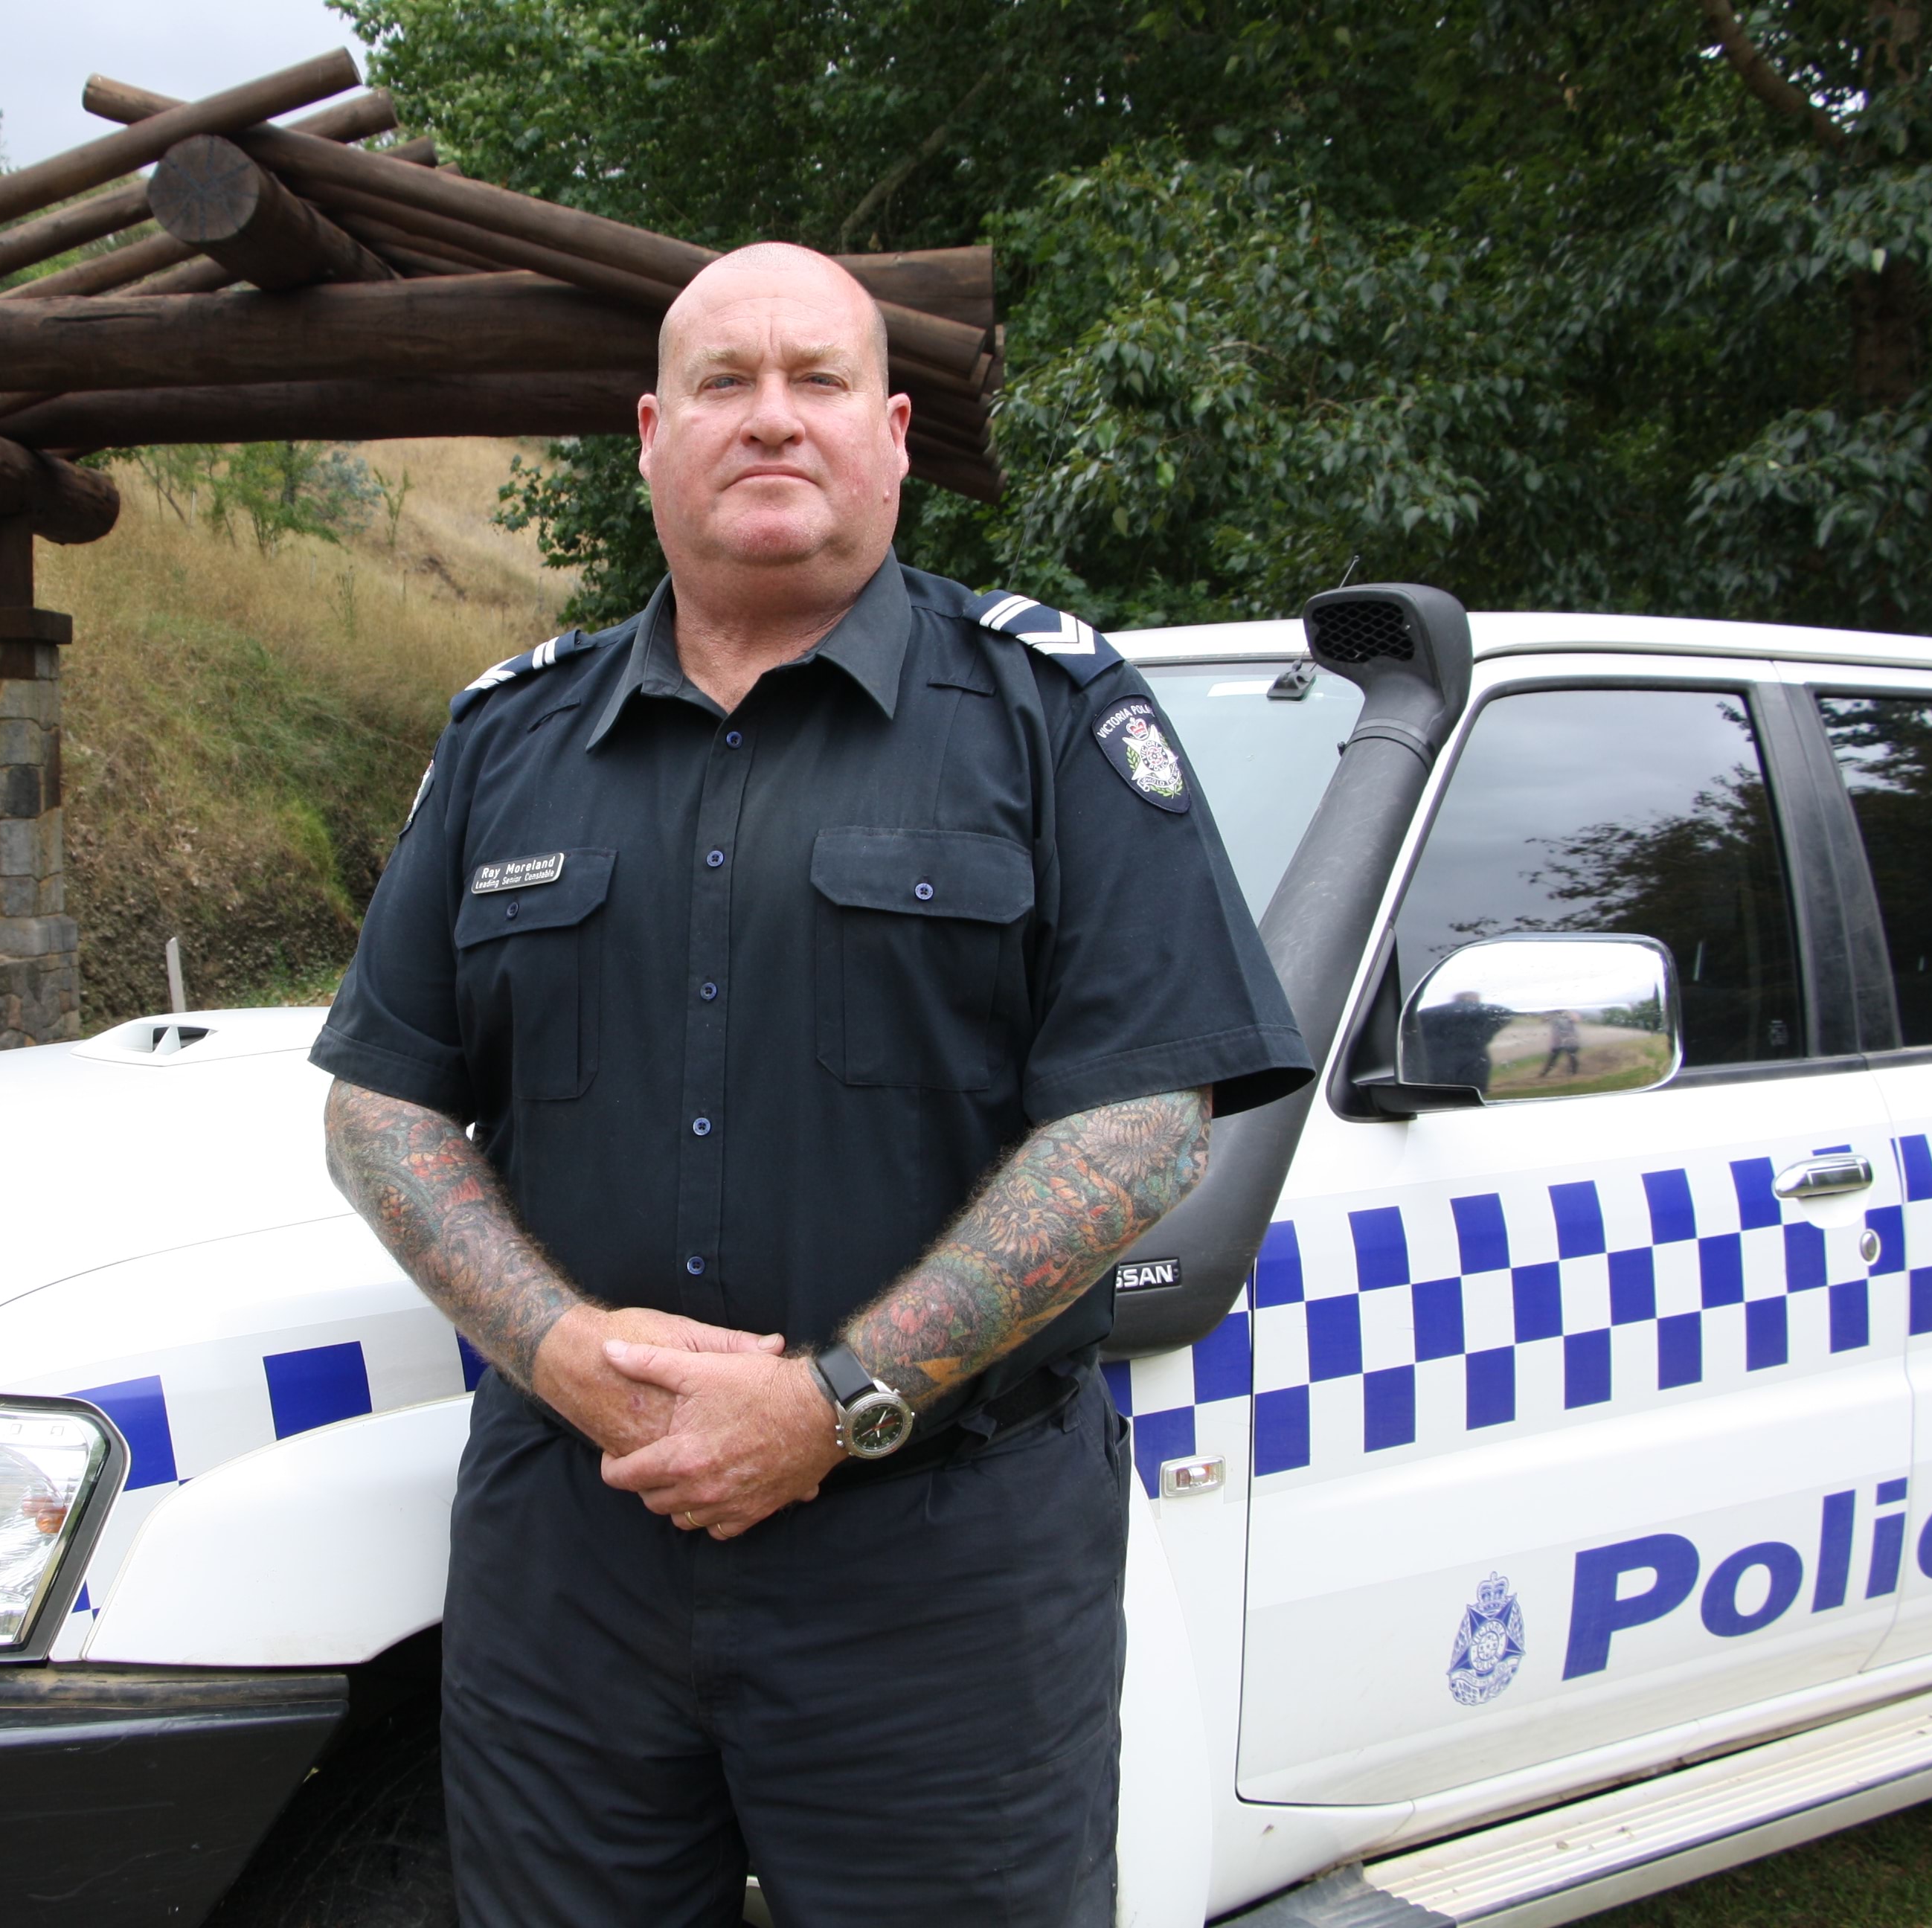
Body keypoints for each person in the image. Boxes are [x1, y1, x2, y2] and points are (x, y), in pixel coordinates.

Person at [312, 242, 1312, 1928]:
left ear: (895, 433)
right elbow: (382, 1106)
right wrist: (562, 1353)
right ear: (648, 436)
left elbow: (1145, 1123)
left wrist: (834, 1400)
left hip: (941, 1567)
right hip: (574, 1557)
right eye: (723, 383)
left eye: (818, 380)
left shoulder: (1048, 715)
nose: (770, 419)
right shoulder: (508, 742)